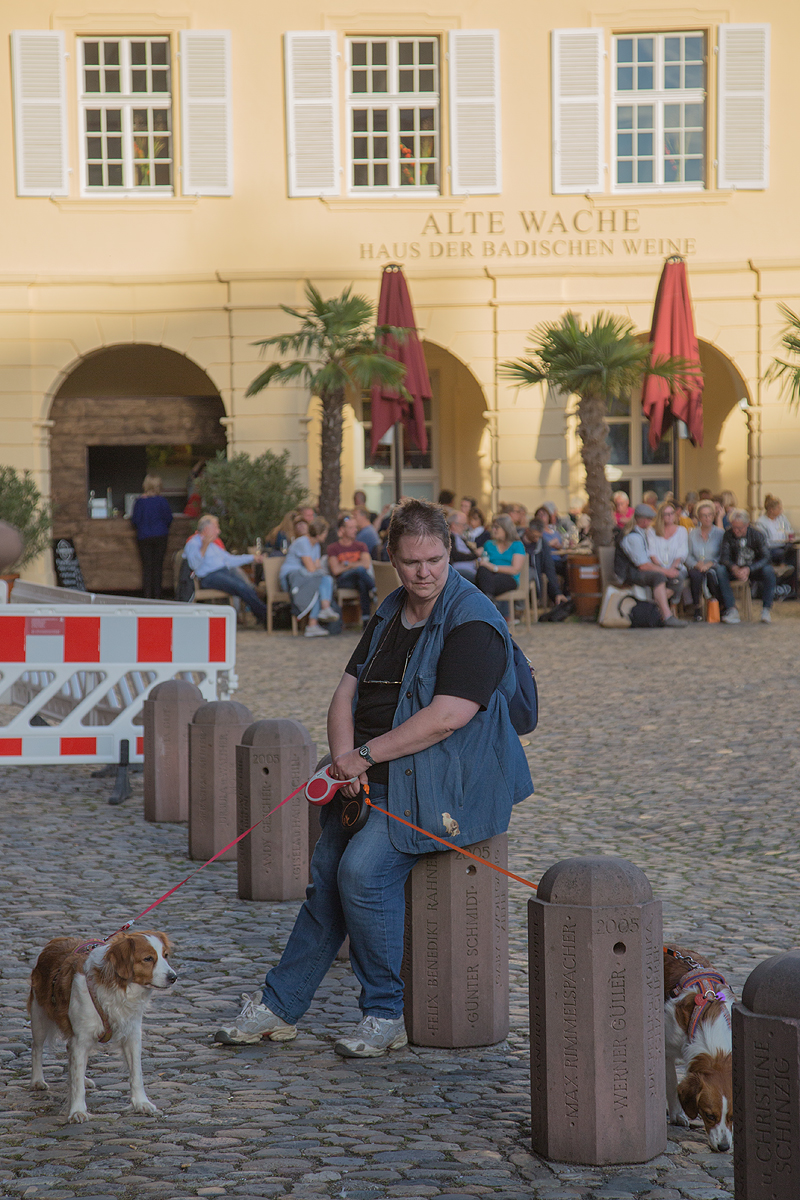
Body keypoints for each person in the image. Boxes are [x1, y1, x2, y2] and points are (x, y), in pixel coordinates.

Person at [213, 499, 532, 1057]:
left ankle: (384, 1013)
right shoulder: (391, 609)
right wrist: (343, 759)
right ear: (391, 557)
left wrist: (363, 755)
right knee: (326, 882)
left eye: (434, 558)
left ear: (449, 551)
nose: (424, 572)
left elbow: (448, 717)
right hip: (369, 775)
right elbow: (345, 691)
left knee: (361, 873)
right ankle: (278, 1008)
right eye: (411, 562)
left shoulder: (474, 620)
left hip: (444, 785)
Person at [183, 515, 267, 624]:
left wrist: (252, 558)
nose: (218, 531)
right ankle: (266, 616)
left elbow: (230, 560)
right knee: (240, 587)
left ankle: (263, 615)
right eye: (216, 528)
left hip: (224, 571)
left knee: (247, 586)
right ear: (206, 529)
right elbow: (194, 565)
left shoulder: (214, 545)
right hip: (209, 577)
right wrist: (204, 546)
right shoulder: (193, 543)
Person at [617, 504, 687, 627]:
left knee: (677, 578)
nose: (652, 522)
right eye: (650, 520)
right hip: (628, 573)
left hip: (636, 570)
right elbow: (643, 565)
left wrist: (668, 571)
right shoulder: (633, 537)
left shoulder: (642, 533)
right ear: (644, 521)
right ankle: (667, 615)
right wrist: (666, 571)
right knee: (658, 577)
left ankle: (652, 607)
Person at [279, 518, 337, 636]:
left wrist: (317, 569)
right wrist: (317, 569)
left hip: (305, 578)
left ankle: (314, 623)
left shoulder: (316, 546)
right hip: (291, 579)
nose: (326, 536)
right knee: (320, 581)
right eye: (325, 533)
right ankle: (321, 613)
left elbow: (317, 567)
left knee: (324, 580)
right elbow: (311, 568)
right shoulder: (303, 542)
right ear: (319, 533)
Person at [718, 509, 776, 623]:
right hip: (735, 568)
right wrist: (733, 568)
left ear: (747, 525)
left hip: (754, 568)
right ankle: (731, 609)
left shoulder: (757, 535)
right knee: (720, 570)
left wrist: (749, 569)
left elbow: (766, 557)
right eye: (734, 527)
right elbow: (724, 557)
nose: (736, 531)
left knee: (769, 571)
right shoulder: (728, 535)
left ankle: (766, 609)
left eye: (740, 528)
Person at [685, 499, 738, 622]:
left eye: (710, 515)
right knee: (695, 575)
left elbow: (723, 555)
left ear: (714, 516)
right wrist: (696, 564)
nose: (707, 518)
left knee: (713, 574)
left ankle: (719, 605)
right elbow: (687, 555)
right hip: (698, 565)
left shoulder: (720, 533)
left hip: (714, 565)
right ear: (698, 517)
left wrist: (711, 563)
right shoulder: (692, 534)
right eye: (704, 515)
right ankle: (697, 608)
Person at [475, 514, 527, 622]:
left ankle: (488, 606)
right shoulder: (489, 544)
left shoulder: (517, 545)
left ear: (506, 528)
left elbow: (515, 569)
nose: (493, 530)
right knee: (482, 570)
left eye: (497, 527)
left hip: (508, 578)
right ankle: (490, 603)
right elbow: (484, 562)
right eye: (493, 527)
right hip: (489, 576)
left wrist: (493, 567)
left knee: (482, 583)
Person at [327, 514, 375, 626]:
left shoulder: (361, 546)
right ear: (342, 530)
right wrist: (355, 565)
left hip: (358, 580)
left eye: (355, 527)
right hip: (343, 581)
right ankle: (373, 588)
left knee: (361, 581)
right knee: (360, 571)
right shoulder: (333, 548)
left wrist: (346, 564)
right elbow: (336, 570)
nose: (355, 530)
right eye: (351, 528)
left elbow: (366, 564)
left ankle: (365, 619)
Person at [130, 474, 173, 599]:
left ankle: (147, 595)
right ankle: (157, 596)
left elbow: (135, 520)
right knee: (158, 566)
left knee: (147, 567)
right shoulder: (162, 501)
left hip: (144, 537)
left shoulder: (139, 502)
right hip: (160, 536)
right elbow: (169, 519)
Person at [522, 518, 567, 606]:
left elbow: (549, 567)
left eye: (539, 536)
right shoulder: (517, 540)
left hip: (534, 576)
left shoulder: (542, 544)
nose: (536, 539)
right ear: (527, 531)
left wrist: (557, 592)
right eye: (534, 536)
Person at [650, 500, 689, 598]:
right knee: (659, 579)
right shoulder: (651, 531)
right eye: (666, 514)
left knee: (677, 579)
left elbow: (682, 553)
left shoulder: (681, 531)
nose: (670, 516)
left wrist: (672, 569)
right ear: (661, 516)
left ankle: (659, 605)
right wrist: (663, 570)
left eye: (672, 513)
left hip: (676, 567)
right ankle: (667, 609)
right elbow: (652, 553)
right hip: (658, 567)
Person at [447, 509, 480, 579]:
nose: (465, 528)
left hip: (471, 570)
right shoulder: (450, 537)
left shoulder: (460, 537)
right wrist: (475, 555)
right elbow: (455, 555)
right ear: (454, 525)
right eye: (463, 525)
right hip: (460, 571)